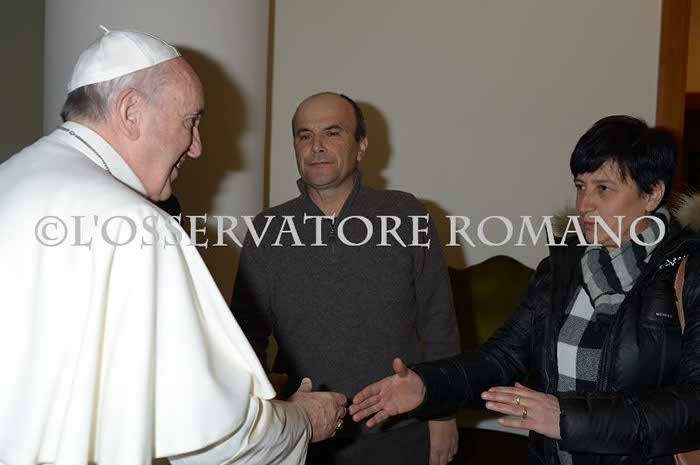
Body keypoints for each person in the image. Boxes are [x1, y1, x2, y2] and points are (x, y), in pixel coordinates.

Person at [0, 27, 346, 465]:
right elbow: (219, 439)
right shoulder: (138, 225)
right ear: (130, 112)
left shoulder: (11, 177)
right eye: (191, 121)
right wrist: (304, 420)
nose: (197, 147)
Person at [349, 115, 700, 465]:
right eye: (580, 186)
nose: (584, 205)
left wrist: (567, 419)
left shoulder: (689, 271)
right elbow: (503, 356)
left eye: (603, 189)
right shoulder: (563, 268)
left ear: (652, 193)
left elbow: (693, 405)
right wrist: (427, 386)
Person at [231, 92, 460, 465]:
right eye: (305, 135)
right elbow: (245, 336)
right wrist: (259, 419)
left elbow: (438, 321)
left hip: (400, 432)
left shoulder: (407, 214)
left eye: (332, 133)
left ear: (361, 145)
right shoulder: (268, 229)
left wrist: (444, 413)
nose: (317, 146)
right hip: (305, 434)